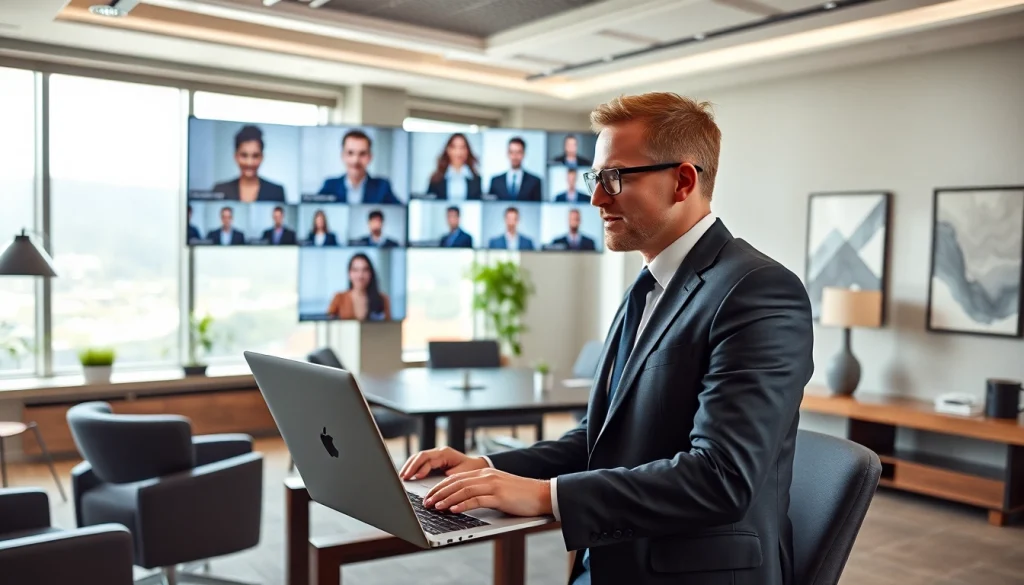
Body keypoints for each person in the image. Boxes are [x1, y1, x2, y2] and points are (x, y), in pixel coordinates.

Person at [399, 92, 814, 585]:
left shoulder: (759, 291)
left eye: (615, 177)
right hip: (612, 555)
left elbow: (721, 478)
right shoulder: (645, 288)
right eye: (595, 178)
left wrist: (544, 497)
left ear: (682, 181)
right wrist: (486, 467)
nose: (597, 198)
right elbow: (600, 438)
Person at [318, 129, 400, 204]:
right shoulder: (330, 186)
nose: (356, 160)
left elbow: (401, 213)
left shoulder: (382, 187)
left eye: (362, 154)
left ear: (370, 157)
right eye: (350, 153)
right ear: (343, 156)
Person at [212, 125, 286, 202]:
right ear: (236, 157)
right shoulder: (220, 190)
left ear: (262, 157)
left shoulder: (276, 192)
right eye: (244, 155)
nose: (249, 163)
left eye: (255, 156)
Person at [326, 253, 391, 321]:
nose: (360, 275)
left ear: (371, 273)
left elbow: (388, 327)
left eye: (365, 270)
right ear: (349, 274)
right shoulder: (339, 298)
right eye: (355, 270)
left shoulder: (383, 299)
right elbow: (329, 324)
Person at [426, 133, 482, 200]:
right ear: (448, 150)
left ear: (467, 151)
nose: (458, 152)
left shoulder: (477, 180)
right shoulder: (436, 179)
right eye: (454, 147)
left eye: (462, 147)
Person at [488, 137, 542, 201]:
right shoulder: (496, 181)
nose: (515, 156)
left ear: (524, 154)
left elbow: (537, 207)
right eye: (512, 152)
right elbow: (491, 206)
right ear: (507, 154)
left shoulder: (534, 181)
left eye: (518, 152)